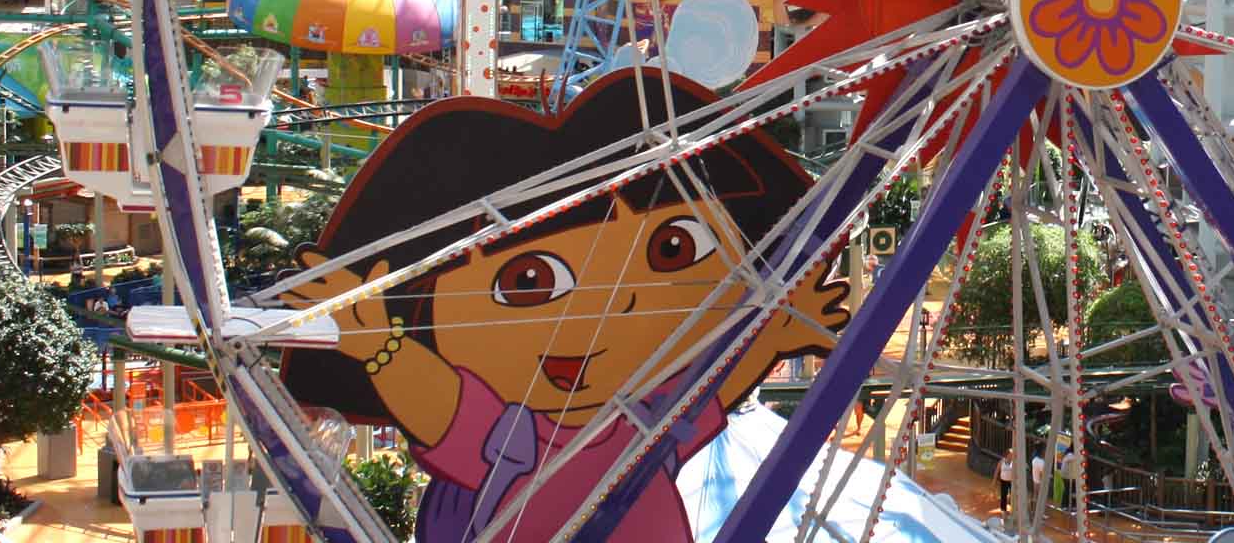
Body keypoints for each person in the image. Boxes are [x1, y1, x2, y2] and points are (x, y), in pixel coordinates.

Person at [281, 70, 846, 543]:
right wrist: (381, 347)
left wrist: (773, 332)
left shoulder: (639, 424)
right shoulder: (518, 441)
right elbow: (441, 406)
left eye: (672, 249)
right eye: (529, 280)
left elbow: (713, 386)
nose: (616, 301)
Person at [996, 449, 1016, 513]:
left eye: (1012, 455)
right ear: (1007, 455)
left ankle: (1012, 509)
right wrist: (994, 481)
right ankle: (1003, 509)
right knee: (1003, 495)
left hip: (1011, 481)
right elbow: (997, 471)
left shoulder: (1014, 463)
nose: (1011, 456)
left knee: (1012, 495)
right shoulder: (1002, 461)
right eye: (1010, 455)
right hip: (1003, 481)